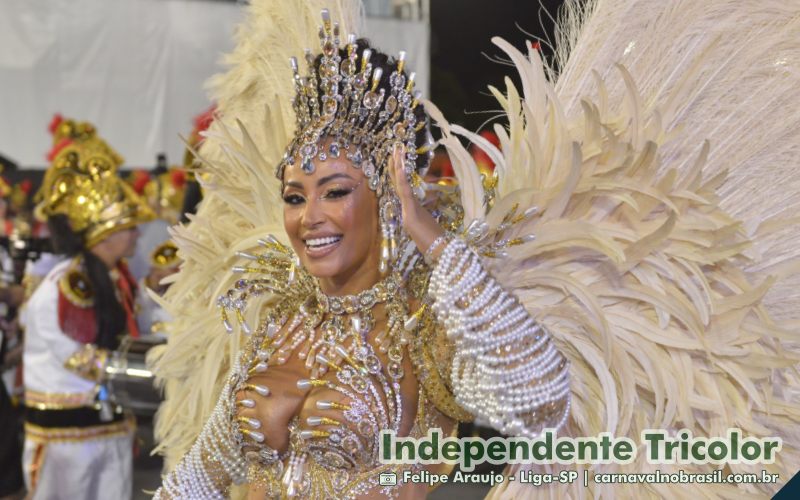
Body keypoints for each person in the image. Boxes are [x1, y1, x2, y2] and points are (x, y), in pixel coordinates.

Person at [151, 1, 800, 499]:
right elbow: (207, 471)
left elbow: (540, 403)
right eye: (294, 197)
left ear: (385, 195)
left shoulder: (423, 327)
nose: (309, 218)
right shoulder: (282, 320)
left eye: (335, 192)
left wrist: (440, 249)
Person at [21, 133, 154, 499]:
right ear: (105, 234)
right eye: (128, 227)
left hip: (111, 430)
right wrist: (155, 372)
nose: (137, 235)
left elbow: (139, 329)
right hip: (67, 442)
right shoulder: (59, 288)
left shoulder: (117, 280)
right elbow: (77, 357)